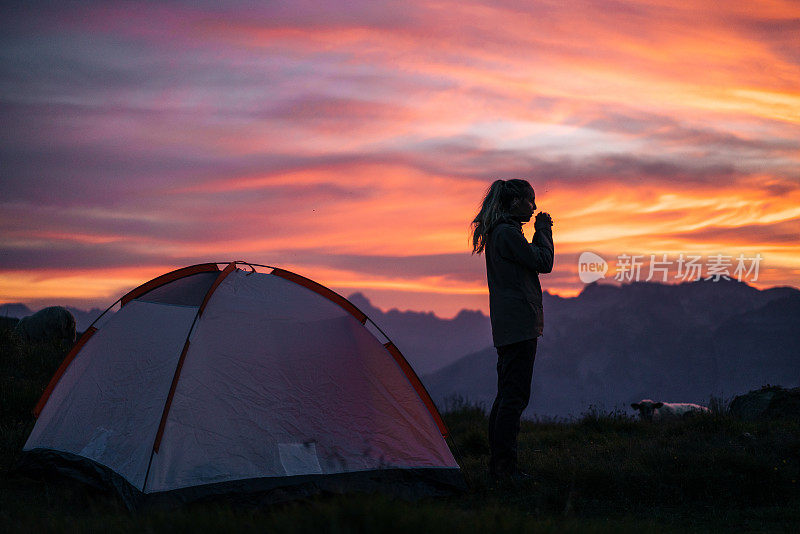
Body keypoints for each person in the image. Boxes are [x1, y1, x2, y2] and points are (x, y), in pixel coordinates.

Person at [470, 179, 554, 481]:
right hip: (519, 326)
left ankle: (499, 467)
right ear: (515, 201)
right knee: (514, 398)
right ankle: (505, 469)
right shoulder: (507, 234)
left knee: (507, 395)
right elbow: (543, 262)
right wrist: (543, 230)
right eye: (529, 201)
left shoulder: (501, 233)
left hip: (509, 326)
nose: (533, 208)